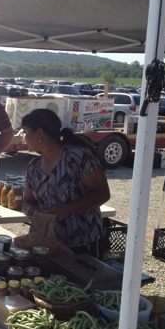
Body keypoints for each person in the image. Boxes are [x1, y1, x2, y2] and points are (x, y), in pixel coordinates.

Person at [21, 108, 111, 257]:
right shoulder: (33, 166)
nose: (23, 137)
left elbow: (102, 194)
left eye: (25, 131)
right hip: (47, 245)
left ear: (39, 134)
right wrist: (31, 211)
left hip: (82, 245)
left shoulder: (76, 156)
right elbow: (27, 202)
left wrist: (66, 209)